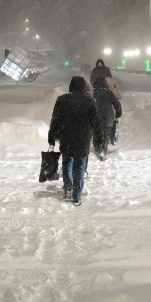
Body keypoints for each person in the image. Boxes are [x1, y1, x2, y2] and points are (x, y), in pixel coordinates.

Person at [47, 76, 104, 206]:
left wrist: (52, 136)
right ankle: (77, 196)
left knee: (67, 162)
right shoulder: (89, 102)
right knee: (80, 165)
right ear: (83, 87)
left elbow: (55, 120)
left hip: (66, 137)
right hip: (82, 138)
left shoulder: (62, 100)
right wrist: (99, 138)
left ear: (71, 86)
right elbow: (95, 122)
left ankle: (67, 188)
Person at [91, 76, 121, 161]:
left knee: (96, 134)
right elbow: (117, 104)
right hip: (108, 118)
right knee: (106, 135)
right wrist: (118, 114)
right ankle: (103, 151)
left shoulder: (93, 94)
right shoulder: (109, 93)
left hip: (96, 118)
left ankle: (97, 149)